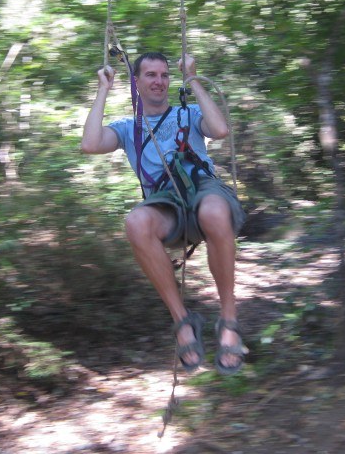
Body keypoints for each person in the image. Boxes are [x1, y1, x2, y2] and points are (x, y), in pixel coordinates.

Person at [82, 52, 247, 375]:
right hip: (166, 204)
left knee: (214, 211)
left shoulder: (189, 113)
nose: (159, 81)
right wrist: (102, 89)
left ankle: (229, 320)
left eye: (164, 75)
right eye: (150, 75)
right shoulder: (129, 128)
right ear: (137, 82)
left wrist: (193, 79)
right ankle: (182, 322)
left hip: (204, 190)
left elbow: (220, 130)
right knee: (136, 221)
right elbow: (90, 144)